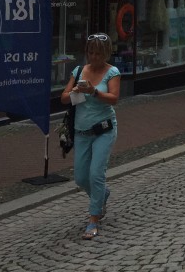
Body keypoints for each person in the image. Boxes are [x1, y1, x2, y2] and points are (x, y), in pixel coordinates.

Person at [60, 33, 120, 240]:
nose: (94, 57)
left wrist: (94, 91)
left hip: (104, 130)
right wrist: (76, 90)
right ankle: (102, 195)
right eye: (91, 53)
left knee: (96, 174)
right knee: (81, 178)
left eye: (99, 54)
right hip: (81, 132)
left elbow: (114, 99)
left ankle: (93, 218)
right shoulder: (78, 71)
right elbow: (64, 98)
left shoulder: (112, 72)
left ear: (106, 53)